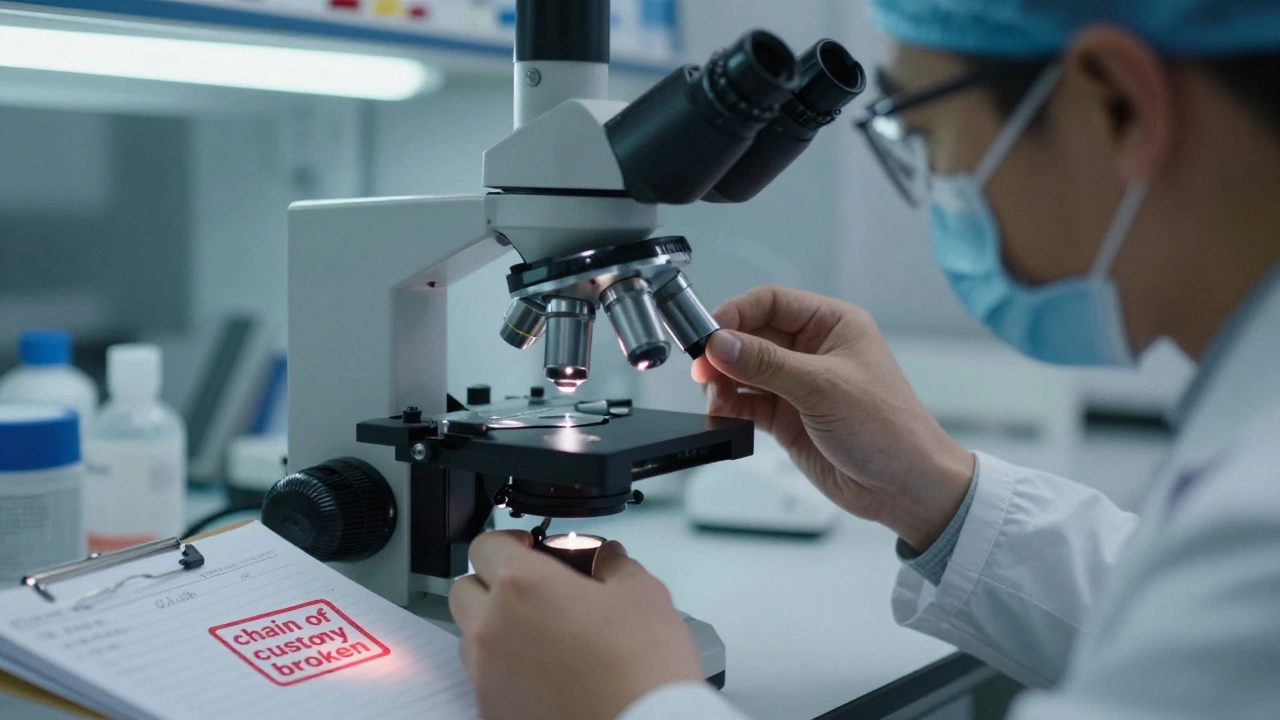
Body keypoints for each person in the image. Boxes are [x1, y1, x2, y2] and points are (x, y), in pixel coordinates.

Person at [448, 0, 1280, 717]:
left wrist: (635, 703)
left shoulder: (1257, 534)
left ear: (1116, 104)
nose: (940, 182)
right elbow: (1169, 631)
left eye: (923, 131)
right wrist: (934, 490)